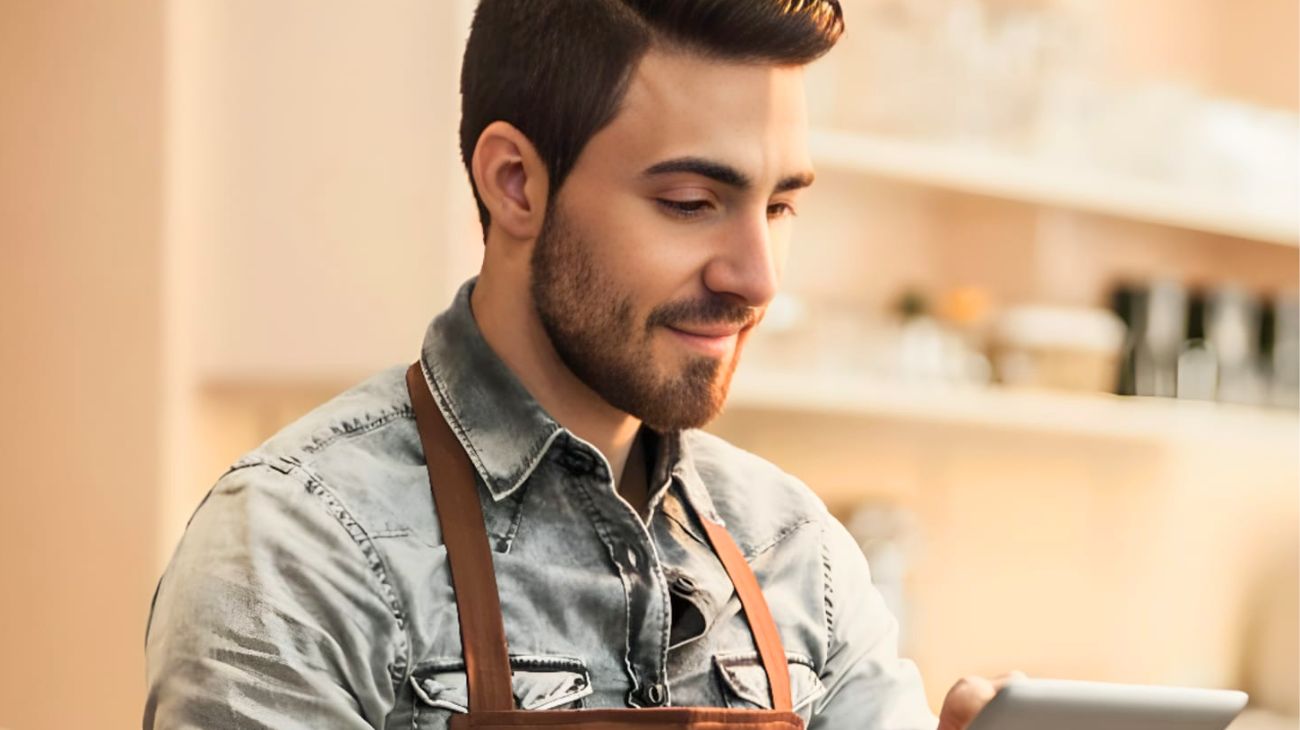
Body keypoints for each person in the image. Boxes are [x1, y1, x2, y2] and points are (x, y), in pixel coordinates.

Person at [144, 1, 1014, 728]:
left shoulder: (800, 554)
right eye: (691, 203)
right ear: (515, 182)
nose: (757, 277)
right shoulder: (298, 549)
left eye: (779, 205)